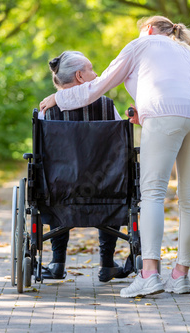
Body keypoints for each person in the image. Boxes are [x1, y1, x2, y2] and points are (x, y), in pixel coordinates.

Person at [39, 16, 190, 298]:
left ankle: (149, 275)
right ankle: (181, 276)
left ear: (147, 30)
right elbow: (177, 91)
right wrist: (143, 113)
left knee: (153, 194)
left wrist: (56, 99)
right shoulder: (186, 52)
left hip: (165, 116)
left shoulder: (140, 44)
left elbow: (96, 89)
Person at [39, 51, 132, 283]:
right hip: (105, 189)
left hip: (60, 191)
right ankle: (107, 263)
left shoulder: (47, 110)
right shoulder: (107, 107)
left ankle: (57, 263)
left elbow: (42, 156)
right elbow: (121, 149)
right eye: (91, 69)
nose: (97, 74)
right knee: (111, 175)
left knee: (51, 179)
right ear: (80, 76)